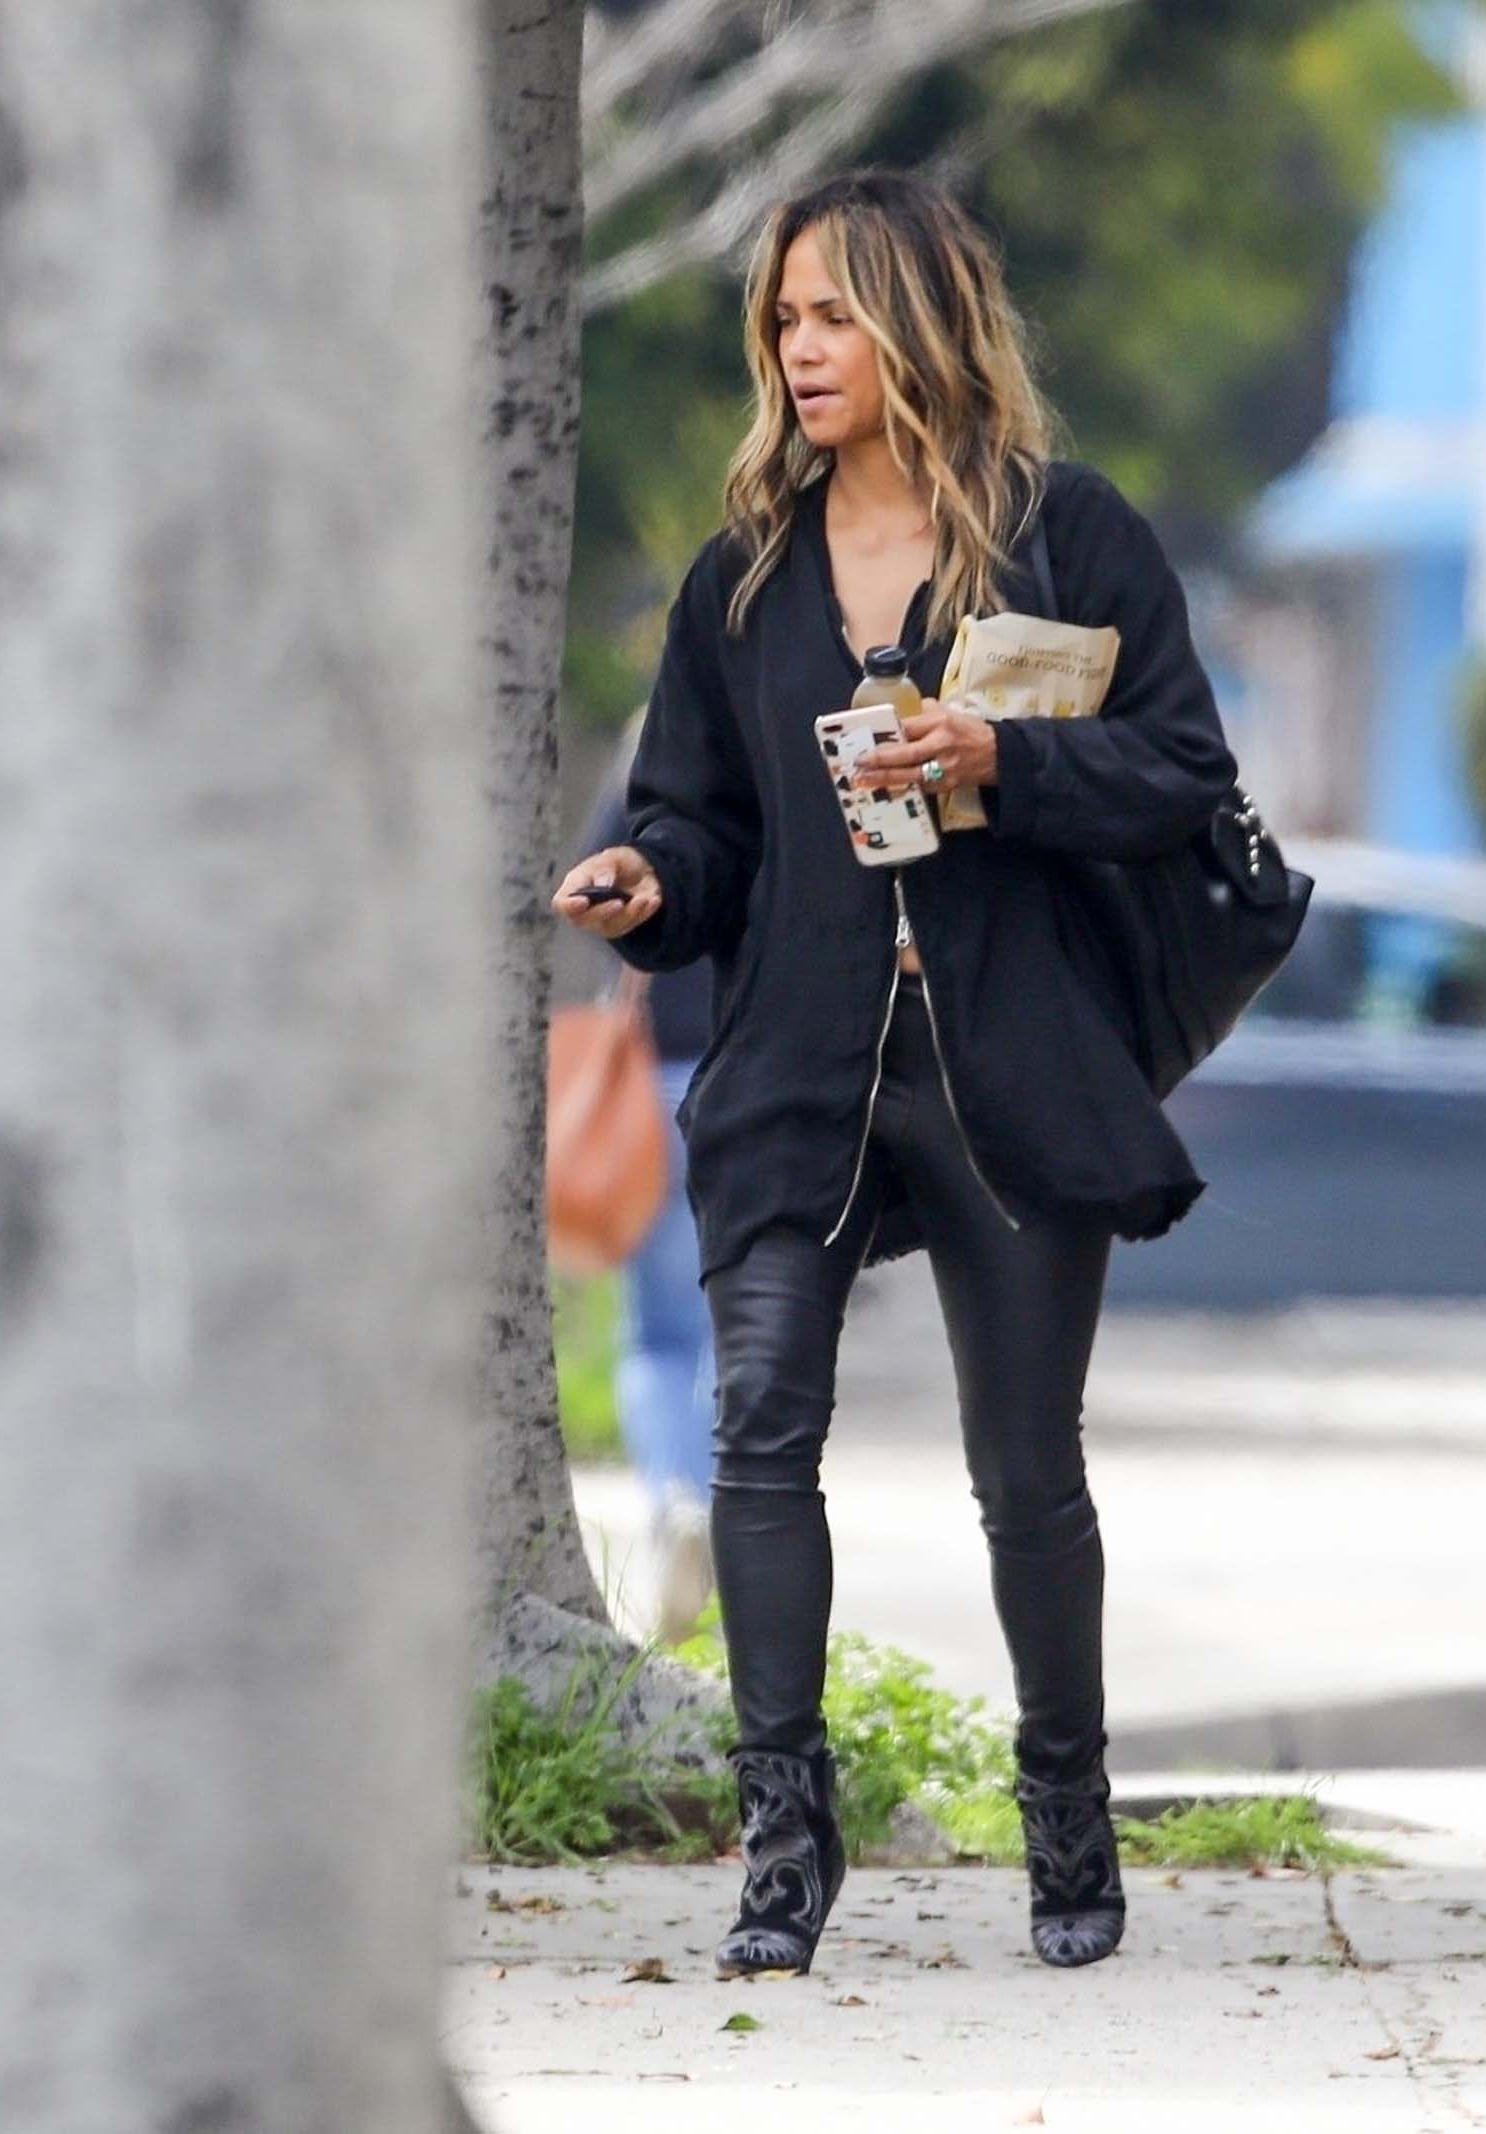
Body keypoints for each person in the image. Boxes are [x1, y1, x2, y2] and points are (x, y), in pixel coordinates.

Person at [553, 169, 1235, 1978]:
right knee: (758, 1423)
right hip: (798, 1063)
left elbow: (1181, 771)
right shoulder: (747, 576)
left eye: (835, 312)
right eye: (785, 318)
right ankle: (786, 1836)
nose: (802, 348)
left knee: (1027, 1468)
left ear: (922, 322)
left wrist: (1000, 757)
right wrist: (649, 885)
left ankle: (1069, 1822)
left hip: (1010, 1062)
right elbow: (700, 820)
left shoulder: (1072, 538)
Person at [579, 738, 720, 1645]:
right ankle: (719, 1509)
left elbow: (586, 895)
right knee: (734, 1322)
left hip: (653, 1084)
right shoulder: (790, 750)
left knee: (657, 1333)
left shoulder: (645, 764)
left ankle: (673, 1502)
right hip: (760, 1083)